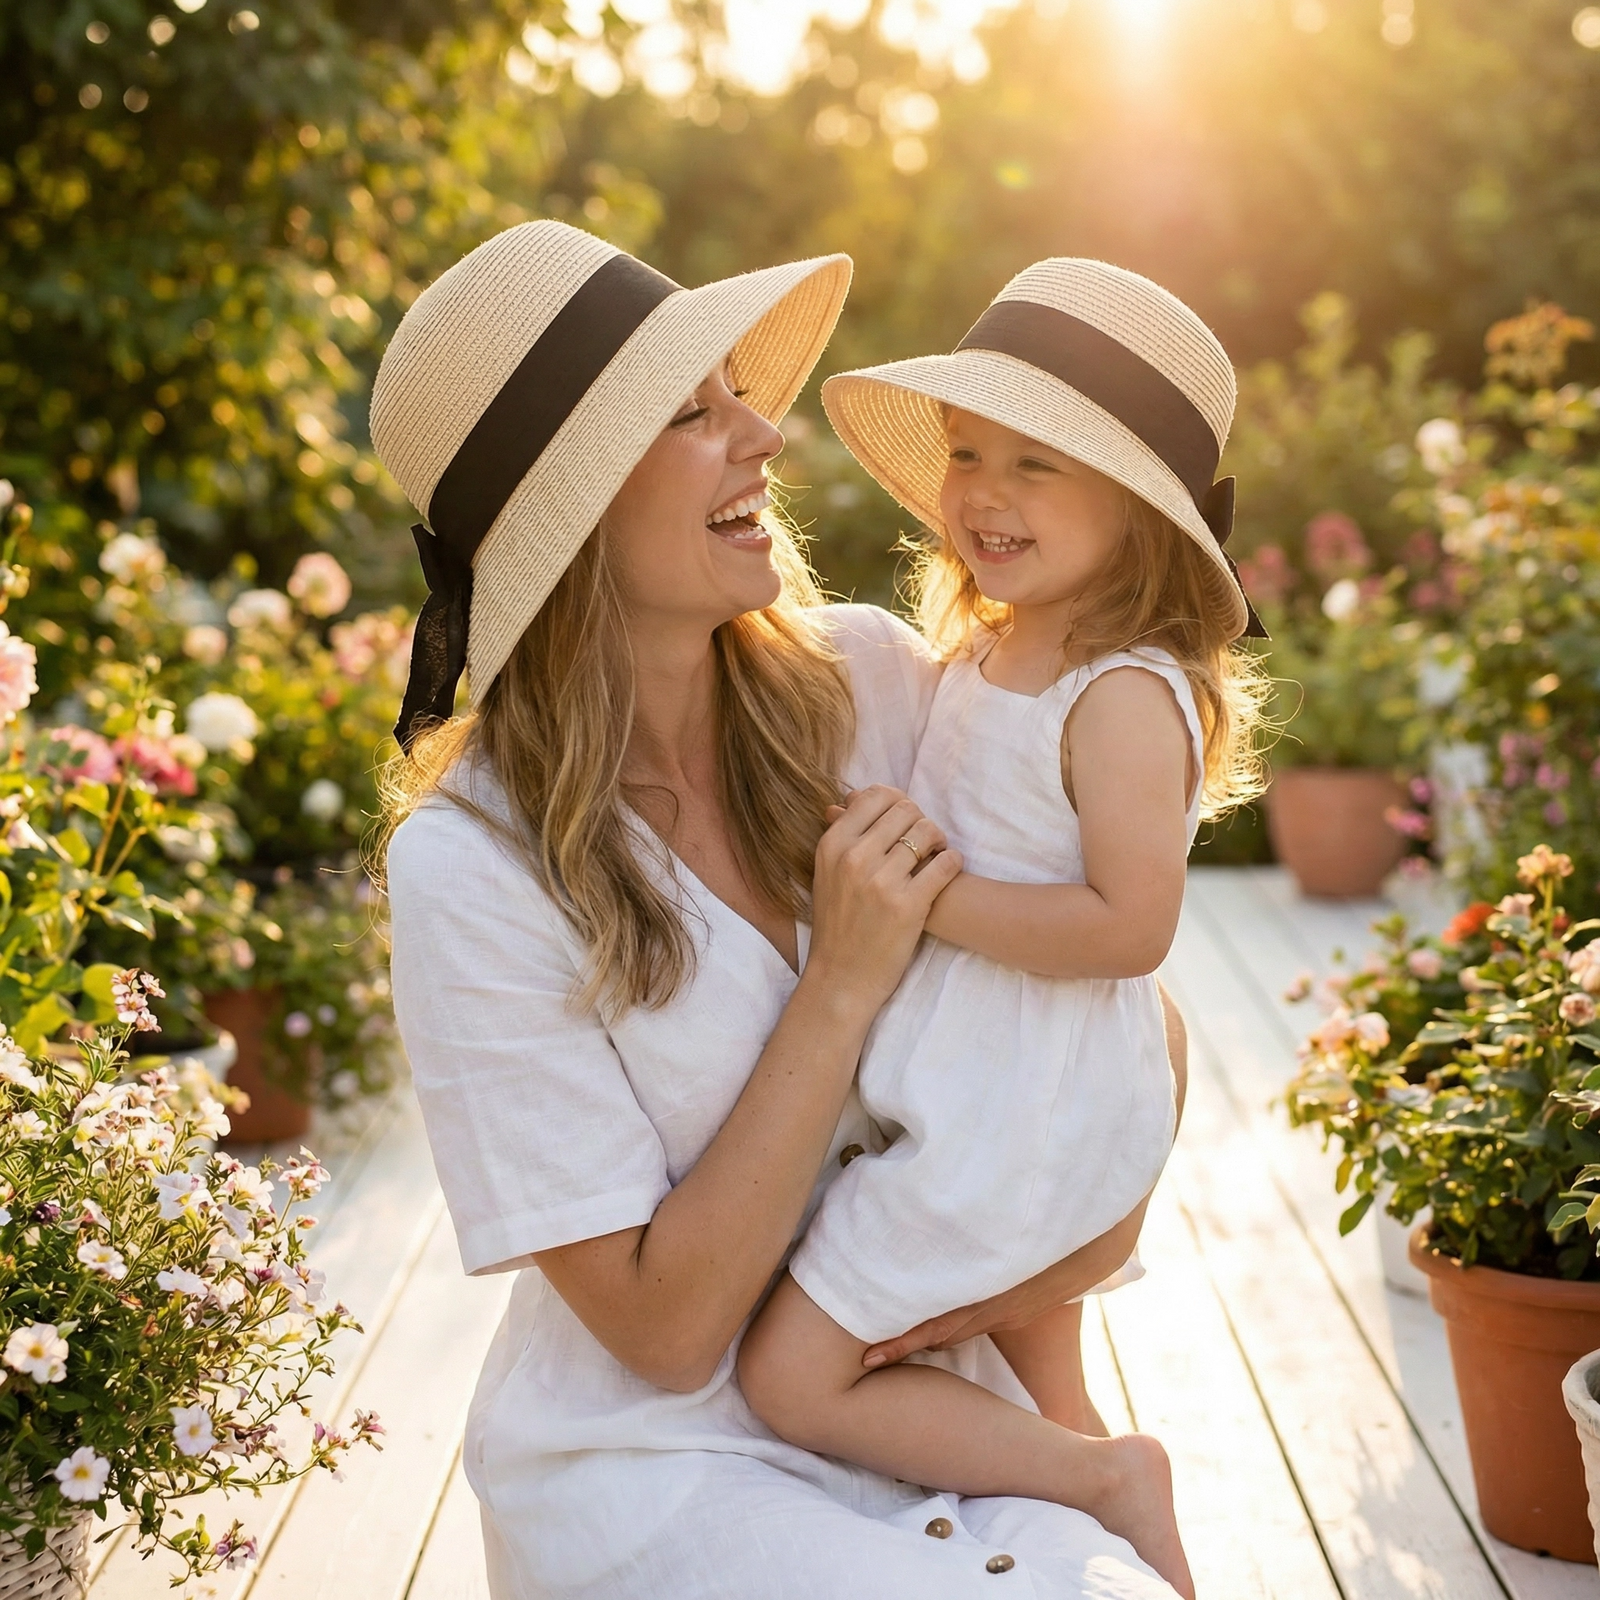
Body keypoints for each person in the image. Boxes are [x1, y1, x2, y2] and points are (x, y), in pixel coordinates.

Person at [373, 219, 1183, 1598]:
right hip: (661, 1476)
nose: (765, 437)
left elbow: (1116, 1018)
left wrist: (1010, 1343)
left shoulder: (874, 686)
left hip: (934, 1417)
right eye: (696, 413)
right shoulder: (474, 868)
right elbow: (664, 1332)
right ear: (565, 513)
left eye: (739, 394)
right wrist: (842, 985)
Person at [737, 258, 1271, 1600]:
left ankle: (1100, 1481)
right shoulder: (991, 651)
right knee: (1044, 1379)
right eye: (971, 454)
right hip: (985, 1078)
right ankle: (1124, 1533)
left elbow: (1133, 924)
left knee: (792, 1374)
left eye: (1039, 464)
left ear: (1141, 510)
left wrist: (927, 899)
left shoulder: (1121, 694)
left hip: (1020, 1104)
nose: (984, 490)